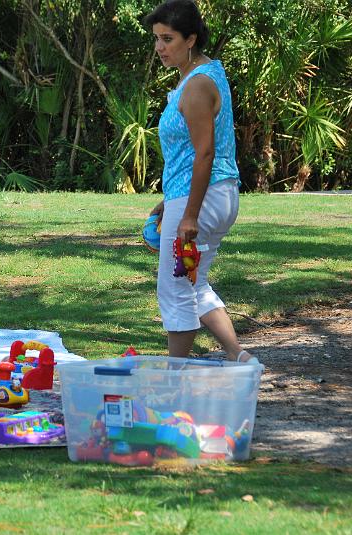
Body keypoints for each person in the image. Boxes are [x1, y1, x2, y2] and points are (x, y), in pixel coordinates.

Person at [144, 0, 255, 362]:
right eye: (157, 39)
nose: (160, 47)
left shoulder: (195, 87)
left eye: (168, 38)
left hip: (202, 200)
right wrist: (170, 200)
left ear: (190, 38)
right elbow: (193, 154)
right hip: (213, 195)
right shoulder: (205, 73)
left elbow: (205, 153)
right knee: (195, 281)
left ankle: (175, 375)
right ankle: (239, 356)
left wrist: (188, 214)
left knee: (175, 288)